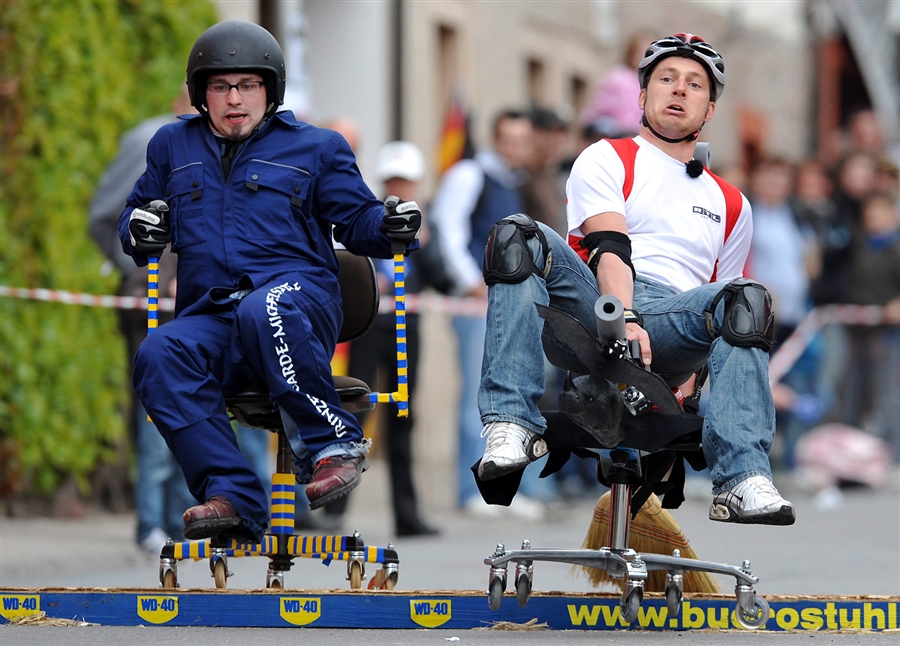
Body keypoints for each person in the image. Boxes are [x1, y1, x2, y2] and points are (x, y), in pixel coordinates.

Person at [117, 20, 421, 542]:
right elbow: (138, 214)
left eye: (248, 85)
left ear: (270, 90)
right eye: (220, 86)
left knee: (267, 307)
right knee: (159, 352)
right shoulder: (171, 145)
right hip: (213, 316)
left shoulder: (318, 148)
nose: (235, 98)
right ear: (201, 94)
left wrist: (392, 225)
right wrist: (137, 226)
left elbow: (359, 221)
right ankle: (232, 492)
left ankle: (333, 445)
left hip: (299, 299)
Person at [476, 33, 796, 526]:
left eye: (695, 84)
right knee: (518, 234)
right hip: (593, 311)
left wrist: (679, 397)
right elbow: (610, 249)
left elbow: (726, 312)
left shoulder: (733, 203)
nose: (679, 90)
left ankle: (740, 478)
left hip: (675, 321)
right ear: (642, 95)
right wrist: (623, 317)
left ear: (710, 108)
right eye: (666, 79)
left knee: (748, 298)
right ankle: (510, 423)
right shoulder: (607, 156)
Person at [430, 109, 551, 517]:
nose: (517, 147)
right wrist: (470, 281)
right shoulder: (471, 175)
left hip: (511, 307)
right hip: (477, 303)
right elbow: (449, 228)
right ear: (497, 139)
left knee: (520, 394)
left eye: (523, 140)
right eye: (510, 140)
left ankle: (516, 493)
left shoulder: (518, 183)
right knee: (477, 400)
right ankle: (471, 491)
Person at [337, 141, 440, 537]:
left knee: (402, 416)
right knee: (355, 410)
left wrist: (427, 243)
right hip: (367, 325)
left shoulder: (424, 224)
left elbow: (439, 277)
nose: (401, 186)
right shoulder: (368, 219)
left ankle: (407, 514)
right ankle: (334, 510)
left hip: (405, 327)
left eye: (407, 180)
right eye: (394, 180)